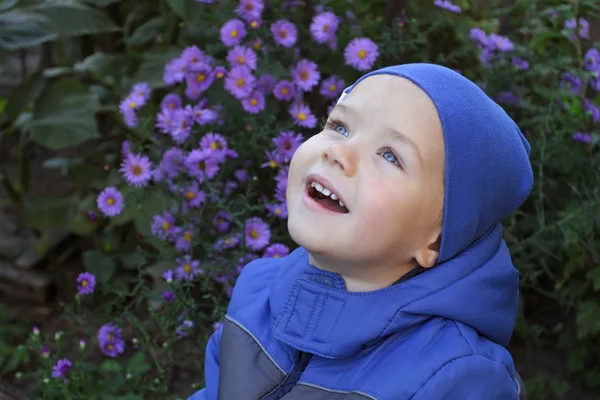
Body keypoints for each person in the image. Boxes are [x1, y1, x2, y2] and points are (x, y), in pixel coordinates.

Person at [188, 64, 533, 400]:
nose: (339, 152)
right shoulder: (256, 292)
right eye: (339, 126)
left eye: (389, 155)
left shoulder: (455, 377)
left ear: (437, 239)